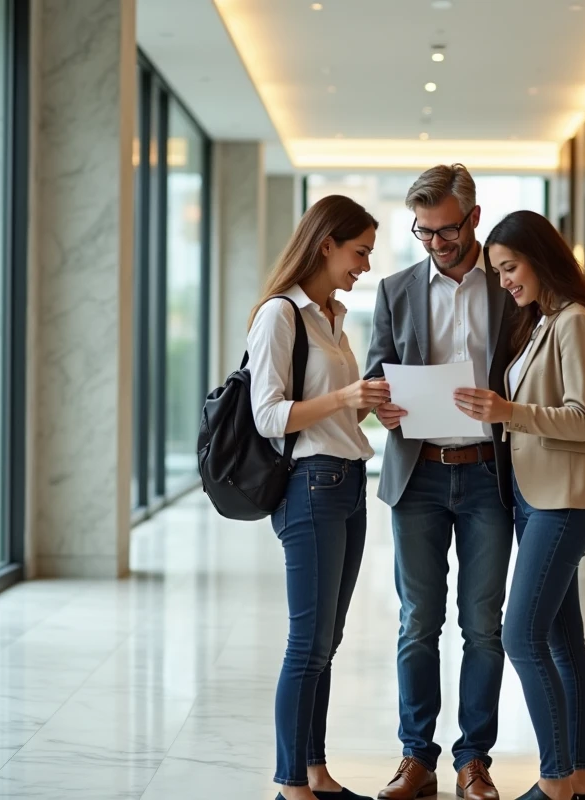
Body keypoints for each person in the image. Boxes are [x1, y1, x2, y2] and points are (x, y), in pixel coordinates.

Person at [453, 210, 585, 800]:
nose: (503, 281)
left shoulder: (575, 322)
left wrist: (505, 412)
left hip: (566, 502)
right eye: (497, 271)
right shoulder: (542, 322)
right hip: (538, 498)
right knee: (561, 641)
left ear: (540, 258)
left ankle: (553, 782)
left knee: (522, 637)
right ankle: (578, 780)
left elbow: (581, 419)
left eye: (509, 267)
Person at [364, 164, 516, 800]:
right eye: (423, 232)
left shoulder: (511, 290)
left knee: (483, 623)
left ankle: (473, 760)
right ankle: (416, 758)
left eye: (445, 231)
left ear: (473, 217)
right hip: (418, 477)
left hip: (489, 476)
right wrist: (382, 403)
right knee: (417, 621)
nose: (434, 243)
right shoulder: (397, 289)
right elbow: (375, 373)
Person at [248, 195, 391, 800]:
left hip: (348, 482)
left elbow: (336, 406)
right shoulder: (280, 315)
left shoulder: (331, 315)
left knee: (326, 643)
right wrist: (344, 398)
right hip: (310, 487)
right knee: (306, 642)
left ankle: (315, 771)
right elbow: (269, 415)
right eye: (359, 252)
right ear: (325, 243)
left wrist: (373, 405)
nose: (364, 265)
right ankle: (290, 784)